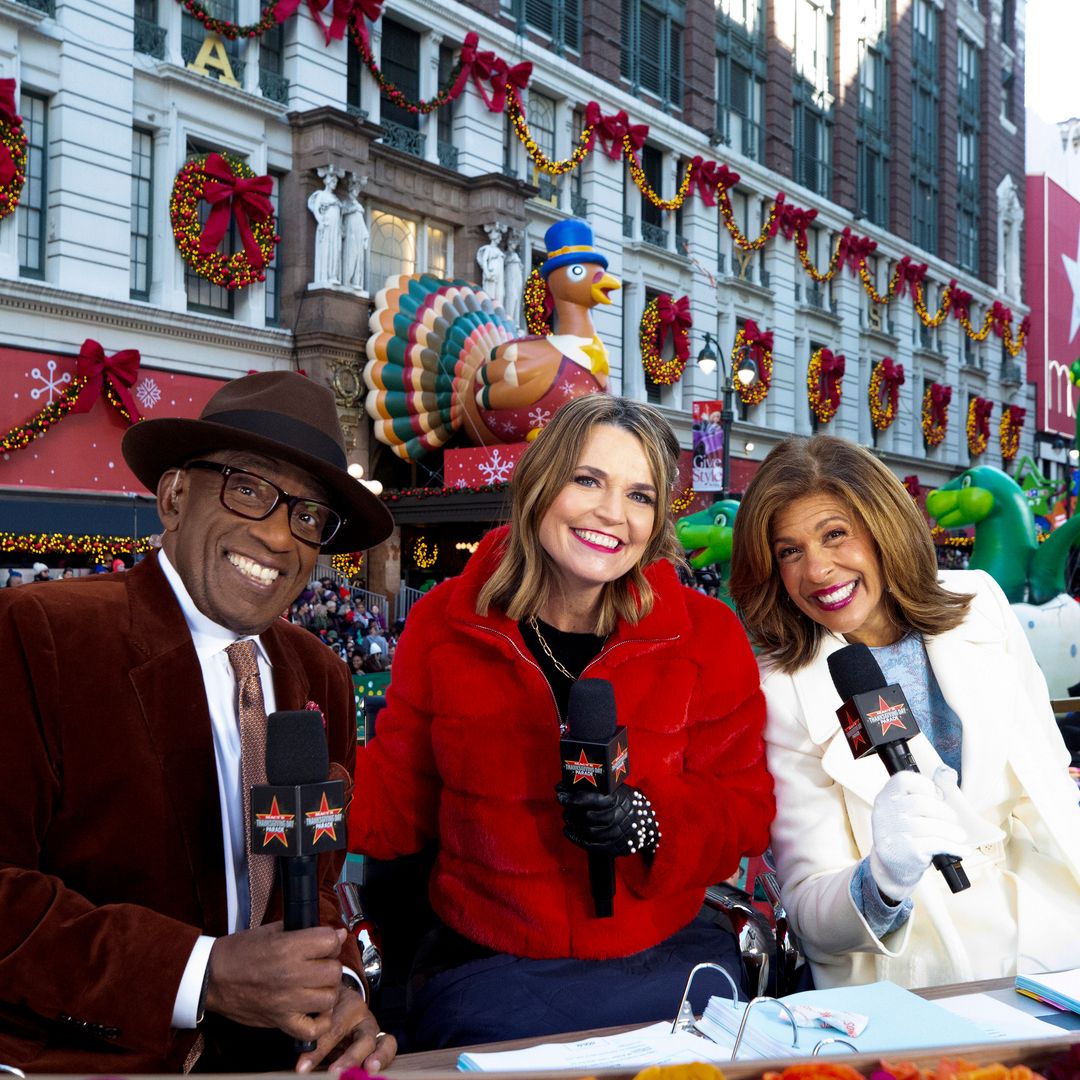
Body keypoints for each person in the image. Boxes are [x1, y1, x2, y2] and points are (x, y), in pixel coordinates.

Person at [0, 371, 399, 1073]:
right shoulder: (44, 636)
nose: (280, 536)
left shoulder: (322, 675)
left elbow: (320, 888)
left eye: (309, 516)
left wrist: (335, 987)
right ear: (176, 495)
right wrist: (202, 975)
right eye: (249, 488)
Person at [348, 393, 773, 1049]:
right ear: (542, 486)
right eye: (588, 480)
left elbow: (744, 809)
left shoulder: (708, 635)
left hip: (662, 960)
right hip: (489, 966)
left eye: (640, 495)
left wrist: (648, 823)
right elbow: (400, 800)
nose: (613, 514)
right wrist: (304, 783)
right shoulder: (444, 622)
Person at [727, 434, 1080, 990]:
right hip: (917, 966)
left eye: (835, 534)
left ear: (884, 527)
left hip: (1052, 930)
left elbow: (1051, 775)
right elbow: (810, 912)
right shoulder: (782, 691)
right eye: (789, 551)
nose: (817, 570)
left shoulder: (981, 603)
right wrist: (881, 881)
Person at [308, 166, 343, 286]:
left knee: (335, 250)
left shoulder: (336, 198)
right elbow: (316, 210)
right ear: (327, 181)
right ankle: (326, 275)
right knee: (327, 249)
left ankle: (333, 275)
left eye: (336, 182)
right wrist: (321, 222)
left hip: (336, 228)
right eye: (333, 181)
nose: (334, 184)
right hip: (327, 226)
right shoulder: (321, 195)